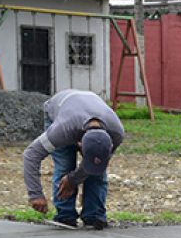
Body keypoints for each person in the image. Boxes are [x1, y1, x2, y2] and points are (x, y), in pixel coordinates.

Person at [23, 89, 124, 229]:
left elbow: (96, 163)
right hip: (59, 108)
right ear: (79, 144)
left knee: (98, 172)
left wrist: (74, 179)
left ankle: (94, 216)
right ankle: (65, 216)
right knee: (65, 165)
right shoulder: (61, 130)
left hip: (87, 105)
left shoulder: (116, 133)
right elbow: (31, 155)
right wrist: (35, 194)